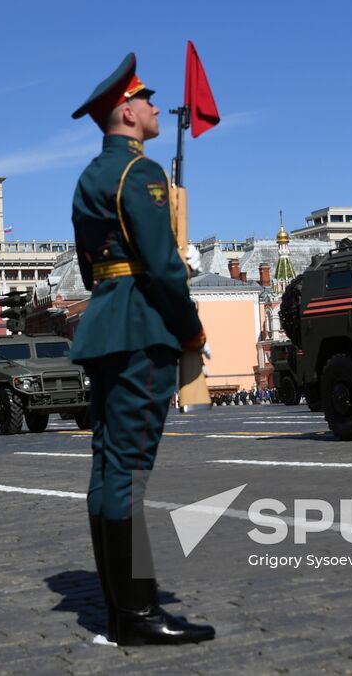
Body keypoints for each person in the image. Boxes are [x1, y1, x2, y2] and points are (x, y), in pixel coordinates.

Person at [69, 52, 215, 646]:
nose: (158, 108)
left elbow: (88, 265)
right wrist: (192, 331)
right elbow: (161, 267)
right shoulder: (143, 173)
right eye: (148, 99)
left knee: (107, 470)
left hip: (105, 323)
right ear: (126, 111)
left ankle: (120, 609)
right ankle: (137, 616)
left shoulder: (88, 179)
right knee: (128, 476)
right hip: (141, 327)